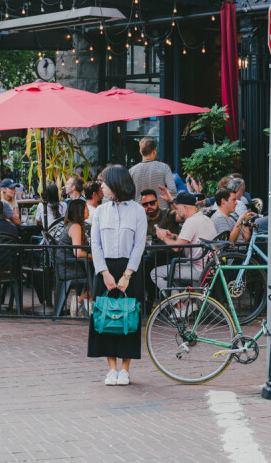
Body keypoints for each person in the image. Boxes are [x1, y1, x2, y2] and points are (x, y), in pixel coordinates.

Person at [89, 165, 147, 386]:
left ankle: (125, 369)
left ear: (116, 183)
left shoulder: (138, 211)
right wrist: (103, 272)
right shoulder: (100, 211)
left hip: (128, 270)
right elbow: (95, 243)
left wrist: (127, 275)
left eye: (104, 182)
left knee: (128, 318)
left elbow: (139, 245)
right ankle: (111, 368)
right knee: (104, 319)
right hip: (104, 269)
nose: (101, 186)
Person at [152, 191, 216, 292]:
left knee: (155, 273)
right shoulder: (204, 218)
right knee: (172, 271)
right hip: (208, 267)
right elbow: (190, 239)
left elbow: (177, 248)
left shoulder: (190, 221)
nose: (176, 212)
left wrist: (163, 238)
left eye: (177, 208)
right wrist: (172, 235)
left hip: (198, 269)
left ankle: (179, 305)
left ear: (185, 207)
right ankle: (186, 302)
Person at [56, 199, 91, 314]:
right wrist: (93, 257)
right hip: (70, 268)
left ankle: (87, 306)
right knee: (100, 277)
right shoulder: (75, 226)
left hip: (68, 265)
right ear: (79, 211)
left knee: (98, 274)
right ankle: (80, 301)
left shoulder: (72, 225)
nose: (88, 210)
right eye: (86, 208)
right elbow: (78, 253)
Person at [129, 137, 176, 210]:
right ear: (155, 151)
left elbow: (129, 195)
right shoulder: (164, 167)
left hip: (140, 212)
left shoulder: (132, 171)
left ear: (140, 152)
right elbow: (172, 190)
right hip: (161, 212)